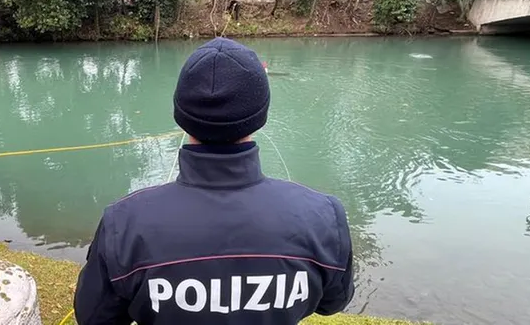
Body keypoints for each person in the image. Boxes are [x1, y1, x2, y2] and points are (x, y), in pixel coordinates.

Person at [73, 37, 354, 325]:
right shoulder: (324, 217)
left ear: (181, 115)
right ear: (260, 116)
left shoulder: (123, 224)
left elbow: (94, 317)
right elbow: (333, 302)